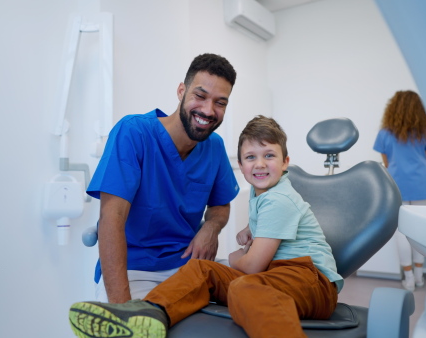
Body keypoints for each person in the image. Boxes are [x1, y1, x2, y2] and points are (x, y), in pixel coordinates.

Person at [70, 115, 344, 338]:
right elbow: (269, 220)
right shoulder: (264, 192)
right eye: (250, 157)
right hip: (277, 275)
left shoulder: (279, 199)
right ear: (241, 165)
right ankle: (147, 314)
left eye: (269, 156)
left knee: (244, 288)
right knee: (200, 269)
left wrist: (236, 257)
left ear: (286, 162)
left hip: (310, 279)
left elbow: (251, 266)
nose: (259, 164)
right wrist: (252, 229)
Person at [86, 53, 240, 304]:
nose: (208, 110)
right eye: (200, 96)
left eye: (220, 103)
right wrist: (123, 310)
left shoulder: (214, 145)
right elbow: (111, 219)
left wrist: (211, 228)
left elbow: (220, 204)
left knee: (260, 291)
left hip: (190, 267)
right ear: (181, 91)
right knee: (143, 326)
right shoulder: (134, 132)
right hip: (135, 270)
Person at [373, 90, 426, 291]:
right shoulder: (425, 132)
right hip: (421, 184)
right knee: (419, 231)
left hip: (397, 184)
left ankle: (408, 278)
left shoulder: (385, 133)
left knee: (402, 232)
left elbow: (386, 162)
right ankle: (419, 275)